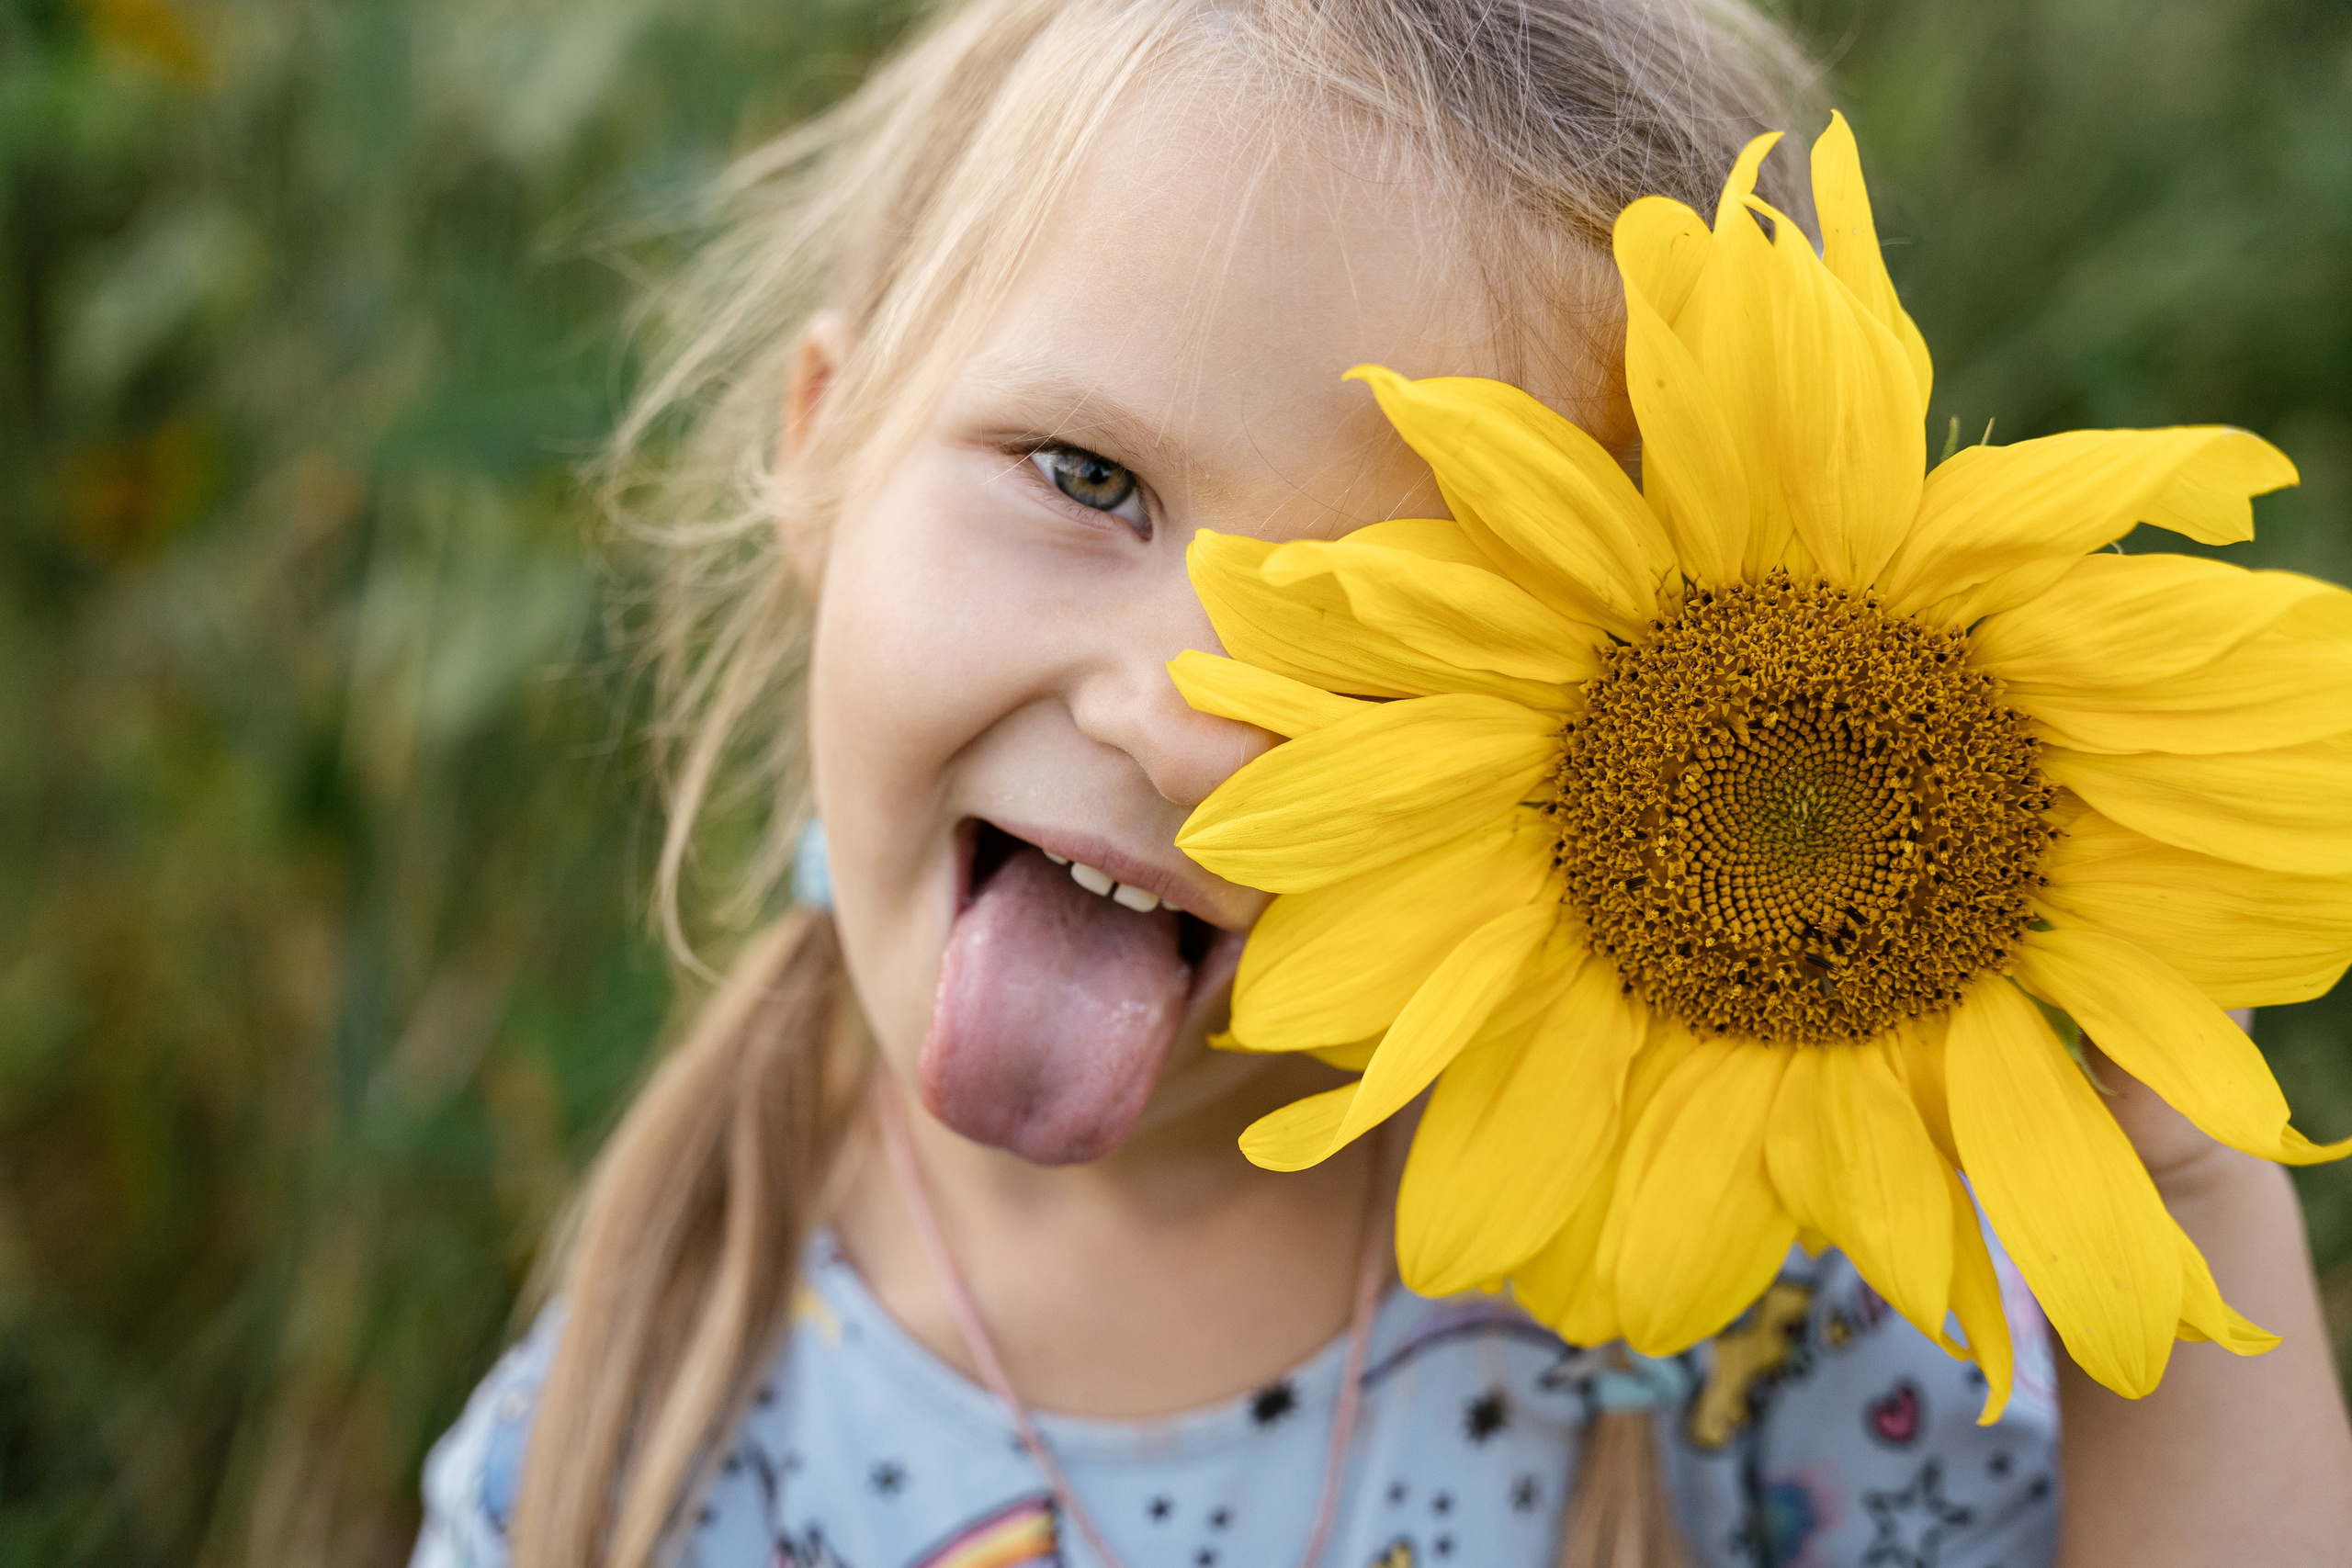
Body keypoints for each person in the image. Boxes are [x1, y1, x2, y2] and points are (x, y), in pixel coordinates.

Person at [408, 2, 2352, 1565]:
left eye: (1383, 634)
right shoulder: (622, 1447)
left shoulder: (1738, 1316)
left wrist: (2168, 1170)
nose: (1173, 712)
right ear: (823, 447)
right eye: (1082, 476)